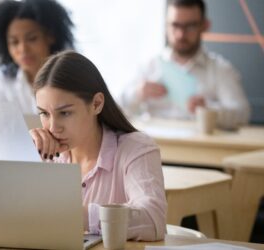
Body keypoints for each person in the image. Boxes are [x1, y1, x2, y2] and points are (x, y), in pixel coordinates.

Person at [29, 51, 166, 241]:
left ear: (96, 104)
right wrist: (21, 154)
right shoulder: (42, 154)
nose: (53, 127)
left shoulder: (135, 148)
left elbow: (153, 219)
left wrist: (75, 216)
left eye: (65, 113)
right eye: (44, 113)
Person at [120, 0, 250, 130]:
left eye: (190, 26)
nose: (181, 34)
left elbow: (242, 114)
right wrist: (138, 93)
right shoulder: (149, 67)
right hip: (154, 144)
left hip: (200, 148)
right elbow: (115, 110)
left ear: (205, 25)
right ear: (166, 26)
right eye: (175, 25)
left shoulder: (220, 69)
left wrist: (209, 109)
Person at [0, 0, 74, 114]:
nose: (23, 49)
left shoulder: (72, 77)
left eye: (32, 39)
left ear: (50, 36)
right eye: (14, 42)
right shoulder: (2, 78)